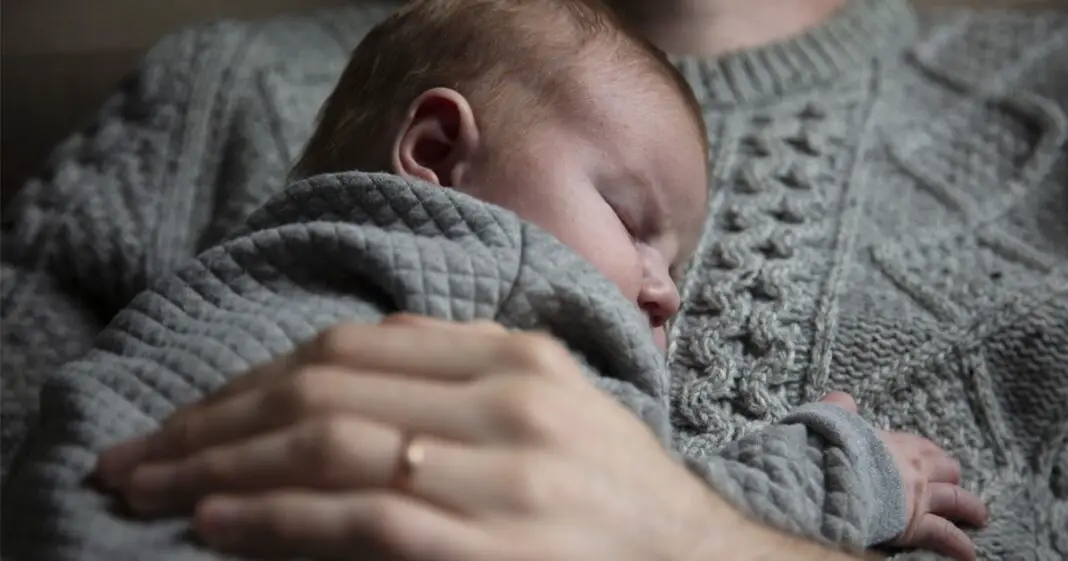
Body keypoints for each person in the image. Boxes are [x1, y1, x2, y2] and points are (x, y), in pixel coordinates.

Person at [1, 0, 1064, 559]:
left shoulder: (1042, 84)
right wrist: (846, 474)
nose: (664, 292)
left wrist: (695, 544)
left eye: (673, 257)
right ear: (432, 152)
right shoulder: (491, 269)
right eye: (634, 225)